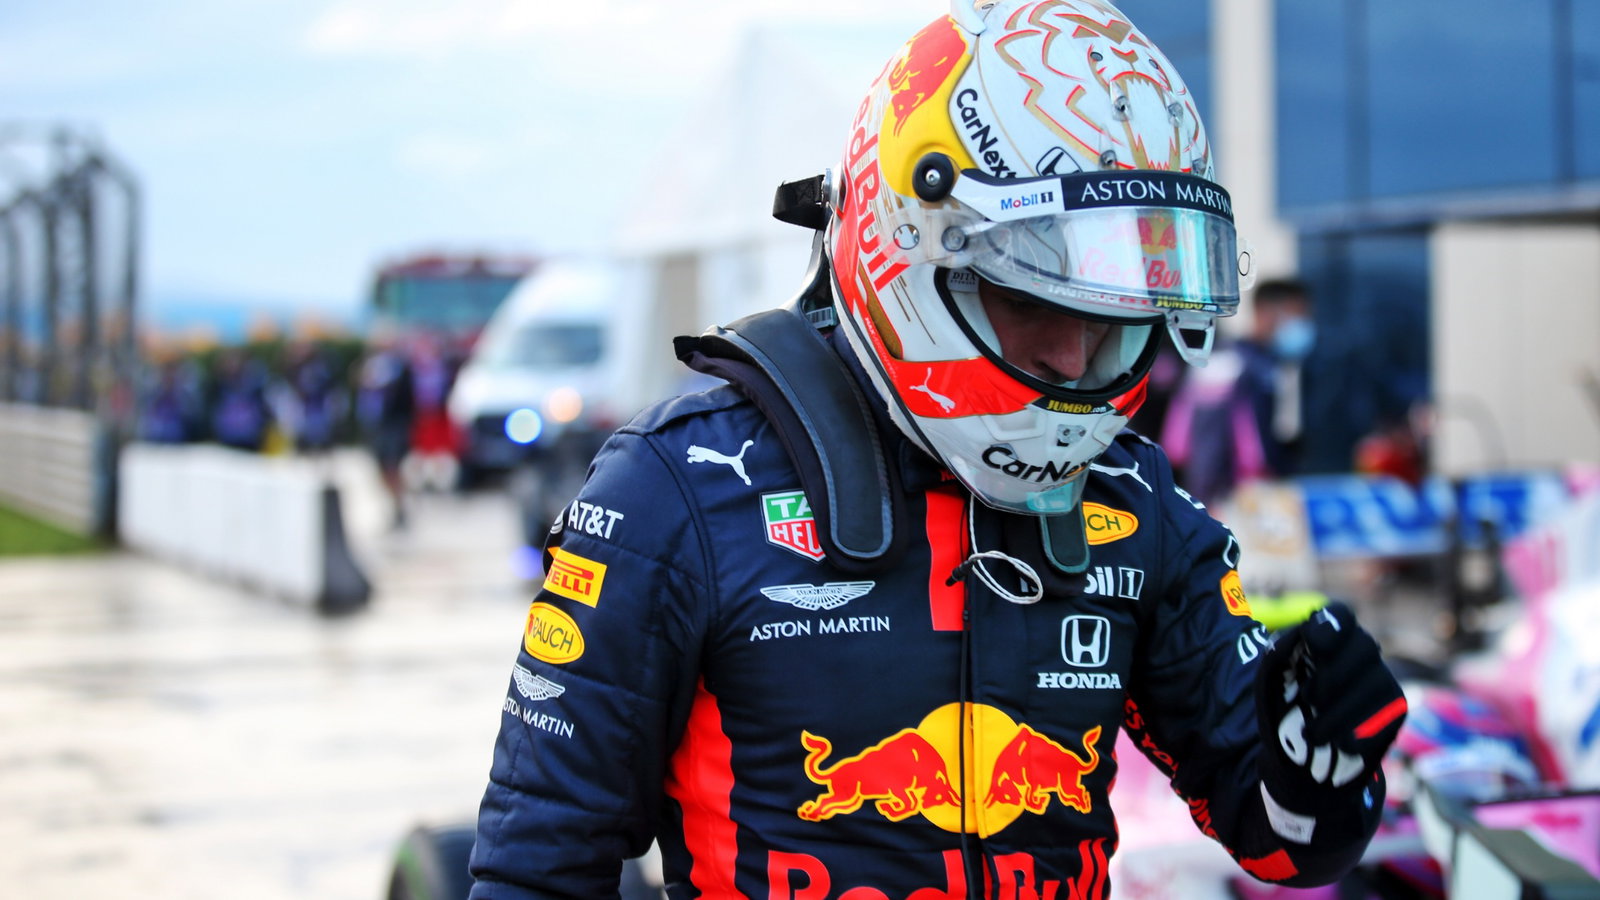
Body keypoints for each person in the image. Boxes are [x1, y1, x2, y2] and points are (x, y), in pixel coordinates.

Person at [470, 3, 1406, 897]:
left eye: (1110, 315)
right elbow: (536, 864)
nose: (1072, 357)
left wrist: (1323, 771)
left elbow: (1286, 847)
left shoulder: (1132, 499)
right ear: (905, 250)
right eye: (1035, 298)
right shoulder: (671, 489)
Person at [1161, 278, 1317, 506]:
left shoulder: (1283, 363)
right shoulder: (1225, 363)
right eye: (1295, 315)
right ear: (1265, 312)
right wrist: (1207, 502)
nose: (1301, 325)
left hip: (1275, 491)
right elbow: (1205, 441)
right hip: (1231, 496)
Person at [355, 332, 415, 529]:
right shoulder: (371, 365)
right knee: (380, 468)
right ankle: (394, 506)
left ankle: (399, 508)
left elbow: (407, 398)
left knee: (392, 467)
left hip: (394, 425)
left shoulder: (400, 367)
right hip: (377, 425)